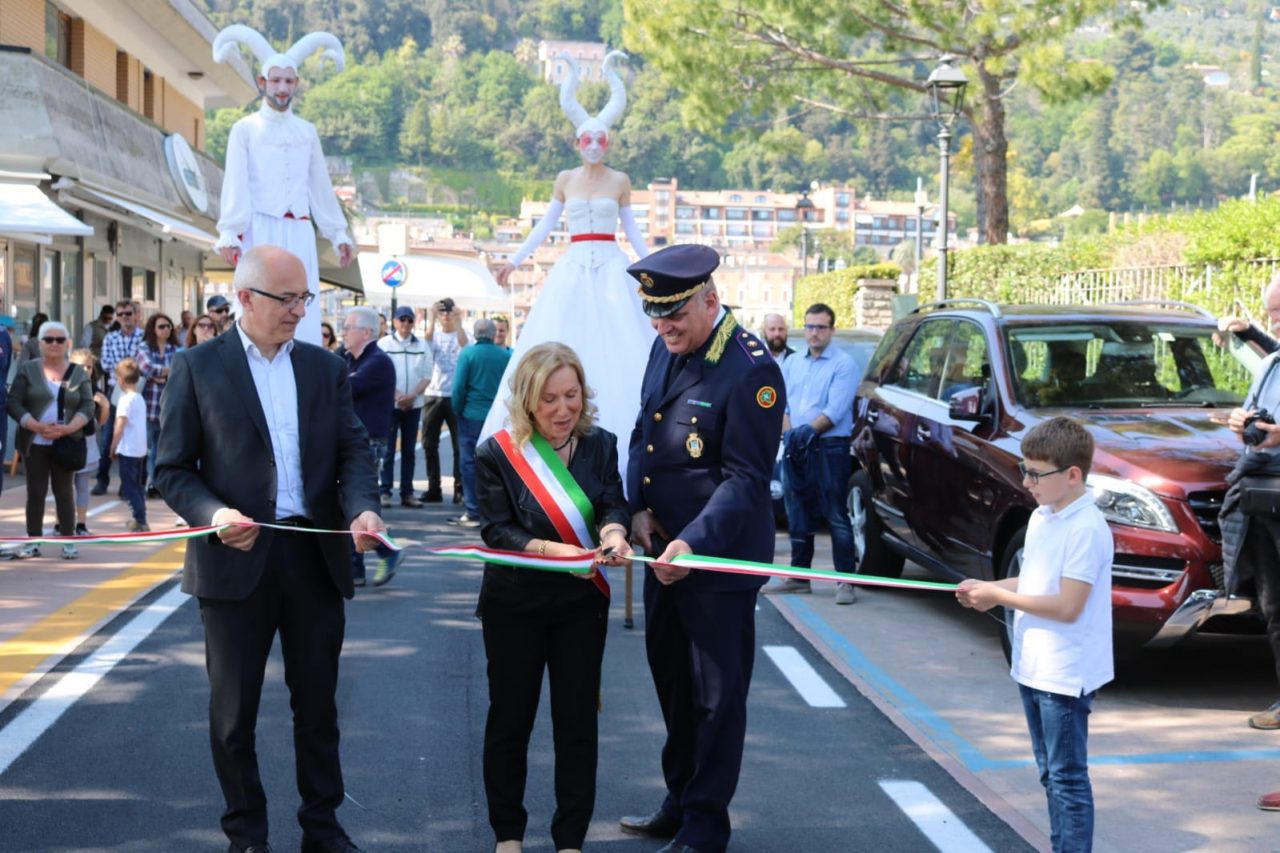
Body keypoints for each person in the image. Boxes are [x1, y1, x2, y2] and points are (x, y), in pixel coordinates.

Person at [155, 245, 383, 853]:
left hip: (313, 555)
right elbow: (172, 469)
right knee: (233, 717)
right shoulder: (198, 367)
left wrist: (363, 506)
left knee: (318, 710)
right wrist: (215, 515)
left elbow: (353, 450)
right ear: (246, 298)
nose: (300, 311)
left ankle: (322, 827)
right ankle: (247, 833)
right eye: (288, 299)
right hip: (233, 558)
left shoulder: (324, 368)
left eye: (305, 298)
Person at [620, 244, 785, 853]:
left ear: (710, 301)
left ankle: (705, 826)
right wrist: (638, 508)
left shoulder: (750, 369)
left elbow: (745, 479)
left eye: (675, 318)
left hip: (715, 564)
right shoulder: (664, 348)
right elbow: (646, 428)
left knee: (717, 701)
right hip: (663, 552)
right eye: (655, 318)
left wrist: (691, 542)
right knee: (673, 689)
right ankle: (679, 799)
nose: (664, 329)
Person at [474, 341, 631, 853]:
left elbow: (612, 501)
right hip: (514, 604)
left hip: (581, 606)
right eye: (549, 400)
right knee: (510, 721)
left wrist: (612, 534)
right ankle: (508, 835)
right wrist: (560, 551)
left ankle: (570, 839)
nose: (564, 410)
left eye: (572, 396)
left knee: (577, 723)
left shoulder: (601, 444)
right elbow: (497, 531)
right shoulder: (496, 452)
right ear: (526, 400)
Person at [482, 51, 653, 483]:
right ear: (578, 142)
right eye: (587, 139)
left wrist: (657, 271)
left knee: (622, 349)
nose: (594, 146)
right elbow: (545, 226)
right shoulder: (565, 179)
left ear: (607, 142)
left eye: (601, 140)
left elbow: (632, 233)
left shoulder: (620, 181)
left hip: (611, 267)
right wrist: (515, 260)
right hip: (574, 266)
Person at [956, 417, 1113, 853]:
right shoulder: (1044, 516)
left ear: (1073, 475)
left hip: (1065, 673)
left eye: (1035, 473)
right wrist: (986, 589)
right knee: (1050, 772)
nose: (1026, 482)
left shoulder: (1086, 529)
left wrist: (998, 597)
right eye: (1025, 470)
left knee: (1066, 777)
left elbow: (1066, 605)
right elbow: (1033, 582)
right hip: (1034, 665)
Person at [212, 24, 356, 347]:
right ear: (262, 82)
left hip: (299, 231)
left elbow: (319, 186)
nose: (281, 88)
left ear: (297, 84)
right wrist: (230, 232)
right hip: (260, 227)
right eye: (275, 80)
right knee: (259, 305)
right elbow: (235, 183)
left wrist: (338, 233)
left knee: (302, 305)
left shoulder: (306, 131)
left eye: (288, 81)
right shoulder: (245, 129)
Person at [767, 303, 860, 604]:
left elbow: (835, 409)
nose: (814, 333)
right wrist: (790, 432)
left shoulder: (844, 364)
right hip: (796, 445)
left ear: (831, 330)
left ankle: (844, 581)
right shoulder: (793, 364)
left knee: (835, 513)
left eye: (821, 327)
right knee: (797, 512)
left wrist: (806, 432)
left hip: (829, 447)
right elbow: (782, 403)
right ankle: (799, 577)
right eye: (809, 326)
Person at [7, 321, 94, 560]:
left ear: (68, 343)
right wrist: (34, 425)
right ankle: (33, 540)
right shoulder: (28, 369)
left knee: (64, 491)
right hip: (34, 442)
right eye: (49, 339)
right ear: (40, 343)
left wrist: (68, 428)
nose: (54, 344)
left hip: (65, 443)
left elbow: (88, 405)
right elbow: (13, 402)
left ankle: (68, 540)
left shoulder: (77, 372)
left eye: (59, 339)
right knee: (35, 491)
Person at [341, 306, 401, 588]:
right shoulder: (346, 359)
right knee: (346, 500)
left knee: (356, 499)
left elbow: (344, 388)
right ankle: (368, 559)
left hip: (369, 442)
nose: (343, 332)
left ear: (366, 332)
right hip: (349, 440)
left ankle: (366, 561)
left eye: (347, 327)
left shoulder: (377, 361)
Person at [452, 318, 512, 528]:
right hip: (497, 416)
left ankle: (473, 509)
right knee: (497, 463)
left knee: (469, 462)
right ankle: (495, 509)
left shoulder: (468, 353)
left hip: (472, 413)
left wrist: (457, 409)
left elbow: (459, 387)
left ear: (475, 334)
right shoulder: (505, 356)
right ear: (493, 333)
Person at [377, 305, 432, 508]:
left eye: (409, 320)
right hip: (390, 406)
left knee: (409, 451)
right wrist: (397, 396)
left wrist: (412, 396)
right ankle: (385, 491)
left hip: (414, 404)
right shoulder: (384, 344)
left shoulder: (422, 346)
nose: (406, 324)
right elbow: (380, 374)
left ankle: (407, 493)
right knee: (388, 450)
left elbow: (427, 375)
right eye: (402, 320)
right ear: (395, 322)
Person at [95, 299, 143, 496]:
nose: (124, 318)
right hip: (116, 390)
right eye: (121, 314)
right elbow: (105, 363)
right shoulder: (110, 337)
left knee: (134, 438)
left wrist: (125, 368)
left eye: (128, 314)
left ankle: (129, 484)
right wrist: (125, 369)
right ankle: (102, 479)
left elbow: (143, 362)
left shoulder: (143, 337)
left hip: (138, 390)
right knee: (108, 437)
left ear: (135, 315)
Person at [421, 298, 467, 503]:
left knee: (459, 445)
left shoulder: (462, 334)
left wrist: (458, 321)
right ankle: (434, 488)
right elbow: (427, 341)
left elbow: (465, 346)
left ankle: (459, 488)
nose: (446, 315)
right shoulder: (434, 334)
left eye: (449, 311)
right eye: (442, 312)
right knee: (429, 444)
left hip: (454, 395)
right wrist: (431, 317)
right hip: (433, 394)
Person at [135, 313, 178, 497]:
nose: (166, 329)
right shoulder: (144, 347)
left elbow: (180, 369)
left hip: (169, 406)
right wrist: (164, 373)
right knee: (145, 449)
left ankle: (156, 484)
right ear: (153, 329)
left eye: (168, 326)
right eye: (161, 326)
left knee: (161, 449)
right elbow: (146, 367)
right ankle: (144, 483)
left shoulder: (175, 348)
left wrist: (160, 374)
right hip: (147, 406)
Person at [68, 348, 109, 536]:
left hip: (87, 441)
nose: (85, 370)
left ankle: (81, 524)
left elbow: (101, 422)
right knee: (64, 486)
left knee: (83, 485)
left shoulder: (95, 390)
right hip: (65, 442)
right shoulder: (62, 387)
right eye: (80, 366)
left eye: (89, 367)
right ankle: (62, 523)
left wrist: (105, 406)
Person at [110, 357, 149, 533]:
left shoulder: (125, 400)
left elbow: (119, 426)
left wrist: (112, 446)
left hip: (128, 449)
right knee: (138, 485)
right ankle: (141, 517)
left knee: (129, 486)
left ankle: (139, 519)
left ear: (120, 380)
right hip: (140, 449)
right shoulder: (139, 398)